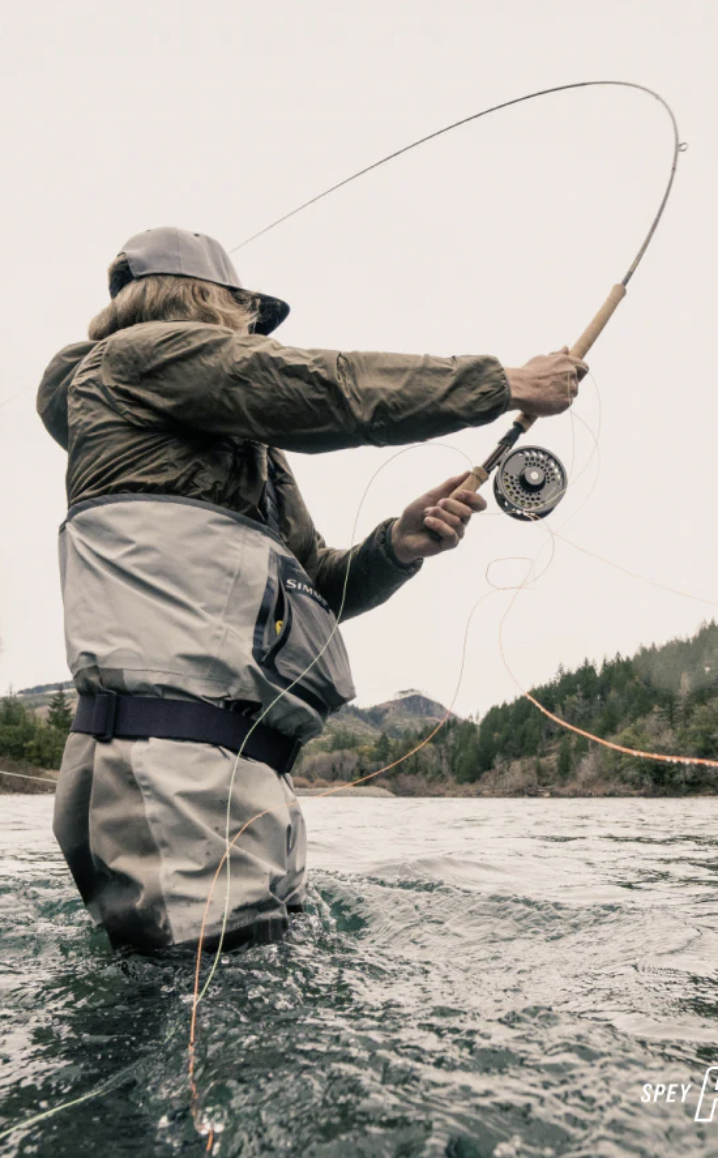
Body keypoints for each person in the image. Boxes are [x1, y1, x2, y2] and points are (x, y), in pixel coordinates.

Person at [37, 226, 586, 952]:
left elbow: (316, 590)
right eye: (244, 319)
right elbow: (329, 387)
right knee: (211, 1020)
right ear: (206, 300)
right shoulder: (134, 357)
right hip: (170, 767)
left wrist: (399, 544)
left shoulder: (243, 454)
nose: (248, 336)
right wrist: (502, 386)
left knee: (243, 989)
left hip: (228, 775)